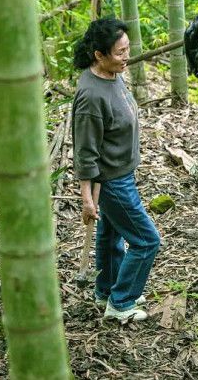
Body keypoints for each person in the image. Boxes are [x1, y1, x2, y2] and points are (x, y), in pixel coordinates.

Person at [72, 17, 160, 322]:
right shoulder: (91, 96)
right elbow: (85, 151)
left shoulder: (112, 74)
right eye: (120, 52)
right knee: (146, 240)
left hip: (122, 174)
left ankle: (107, 290)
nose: (127, 57)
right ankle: (122, 302)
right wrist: (87, 197)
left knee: (110, 237)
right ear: (100, 55)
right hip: (111, 182)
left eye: (127, 49)